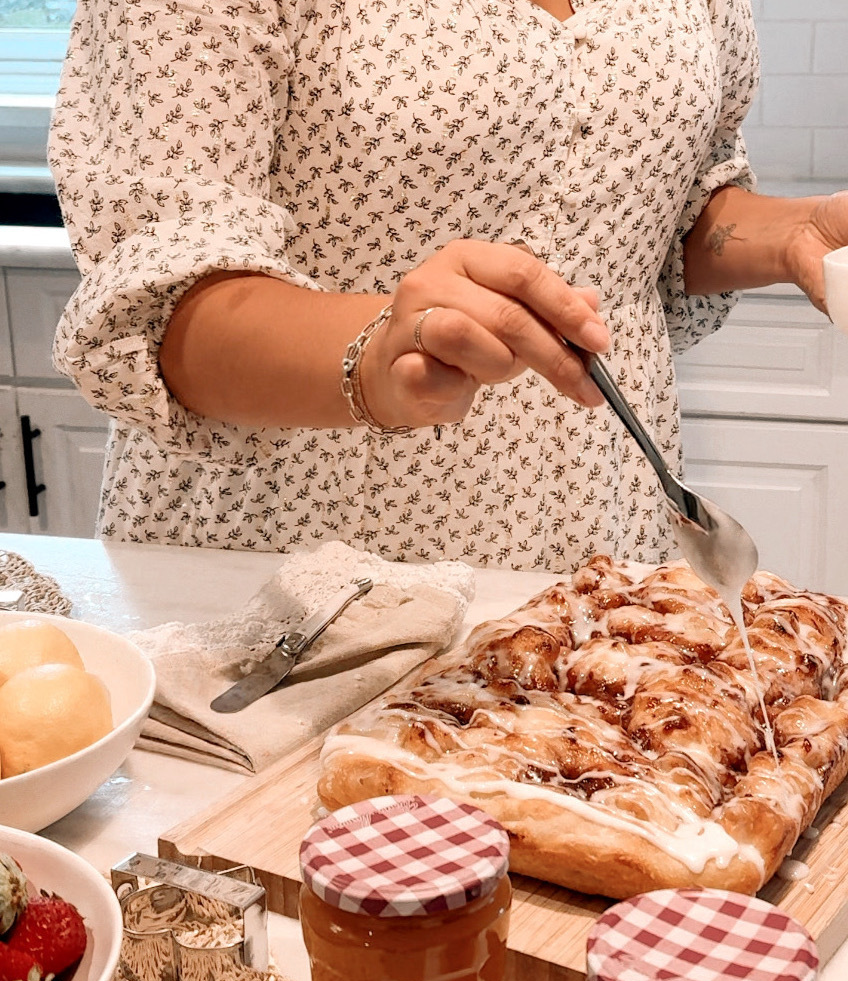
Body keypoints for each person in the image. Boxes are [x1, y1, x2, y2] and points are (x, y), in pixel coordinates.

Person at [48, 0, 847, 569]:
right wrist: (380, 354)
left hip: (599, 507)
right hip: (303, 545)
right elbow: (168, 311)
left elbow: (663, 214)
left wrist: (795, 235)